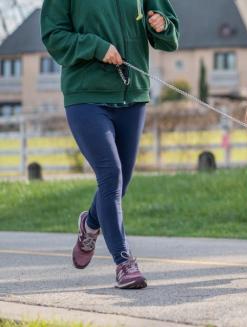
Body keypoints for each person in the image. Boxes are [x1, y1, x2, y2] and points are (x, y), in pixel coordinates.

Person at [41, 0, 179, 289]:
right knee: (110, 174)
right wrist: (95, 47)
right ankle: (124, 262)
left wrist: (162, 25)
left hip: (133, 96)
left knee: (120, 182)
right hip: (86, 95)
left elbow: (170, 35)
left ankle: (90, 224)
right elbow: (53, 36)